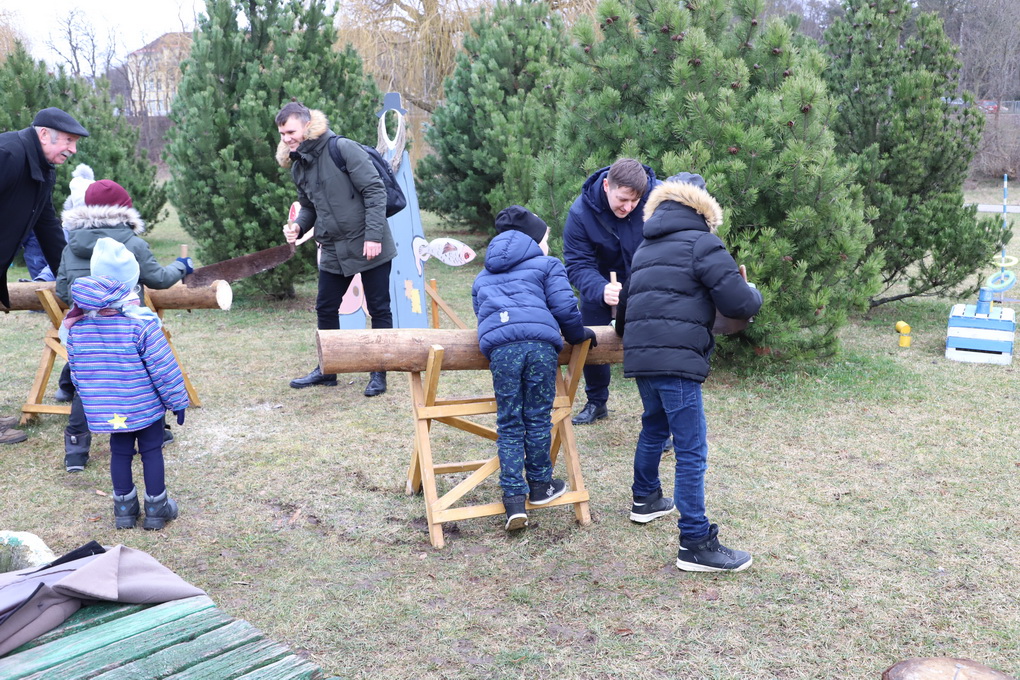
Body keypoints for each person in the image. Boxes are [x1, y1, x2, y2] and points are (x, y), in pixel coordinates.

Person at [615, 172, 762, 572]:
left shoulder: (644, 248)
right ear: (702, 206)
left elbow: (622, 317)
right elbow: (739, 303)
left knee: (653, 427)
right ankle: (695, 543)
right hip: (678, 361)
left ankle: (645, 499)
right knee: (691, 450)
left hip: (642, 359)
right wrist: (755, 293)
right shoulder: (703, 243)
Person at [472, 206, 597, 531]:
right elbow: (565, 307)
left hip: (502, 352)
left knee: (509, 422)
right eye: (546, 238)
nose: (548, 244)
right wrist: (578, 335)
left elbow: (479, 311)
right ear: (534, 240)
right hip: (540, 348)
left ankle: (514, 501)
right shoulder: (547, 264)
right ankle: (540, 486)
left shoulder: (483, 275)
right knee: (538, 417)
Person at [55, 180, 193, 472]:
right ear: (124, 209)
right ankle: (155, 431)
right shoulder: (132, 242)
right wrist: (182, 265)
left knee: (89, 380)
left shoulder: (72, 245)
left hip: (85, 329)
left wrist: (90, 306)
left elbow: (63, 289)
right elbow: (158, 279)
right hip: (126, 327)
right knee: (143, 374)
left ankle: (76, 450)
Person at [276, 101, 395, 397]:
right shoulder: (299, 165)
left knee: (378, 308)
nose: (287, 139)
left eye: (291, 132)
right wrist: (298, 227)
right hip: (332, 247)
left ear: (307, 125)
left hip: (369, 242)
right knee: (326, 308)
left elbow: (375, 190)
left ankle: (379, 372)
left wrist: (373, 236)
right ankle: (328, 369)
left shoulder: (342, 148)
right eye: (282, 134)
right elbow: (308, 207)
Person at [63, 260, 188, 530]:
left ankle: (124, 509)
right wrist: (177, 402)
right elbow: (164, 369)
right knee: (151, 451)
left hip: (111, 412)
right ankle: (157, 508)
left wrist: (95, 403)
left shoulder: (77, 332)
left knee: (119, 453)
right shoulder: (140, 326)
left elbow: (78, 376)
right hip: (145, 406)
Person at [0, 107, 89, 445]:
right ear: (43, 134)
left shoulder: (43, 170)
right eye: (68, 140)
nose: (73, 149)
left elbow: (48, 226)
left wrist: (72, 273)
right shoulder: (8, 155)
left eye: (75, 143)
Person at [562, 157, 657, 426]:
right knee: (590, 338)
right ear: (606, 186)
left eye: (635, 201)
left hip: (648, 282)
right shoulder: (581, 213)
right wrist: (600, 288)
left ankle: (657, 413)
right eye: (622, 199)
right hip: (603, 283)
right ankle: (596, 401)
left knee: (656, 344)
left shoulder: (660, 199)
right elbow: (578, 264)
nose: (628, 207)